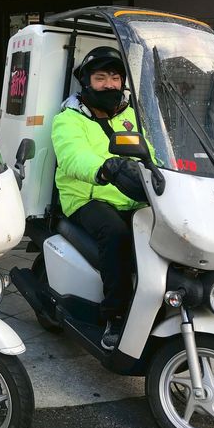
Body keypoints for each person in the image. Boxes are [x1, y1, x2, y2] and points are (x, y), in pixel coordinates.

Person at [51, 46, 148, 350]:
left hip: (132, 196)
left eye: (115, 78)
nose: (109, 84)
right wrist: (105, 168)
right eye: (101, 78)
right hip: (86, 196)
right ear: (86, 82)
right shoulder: (68, 119)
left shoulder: (131, 116)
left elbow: (153, 152)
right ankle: (115, 316)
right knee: (116, 234)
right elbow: (73, 157)